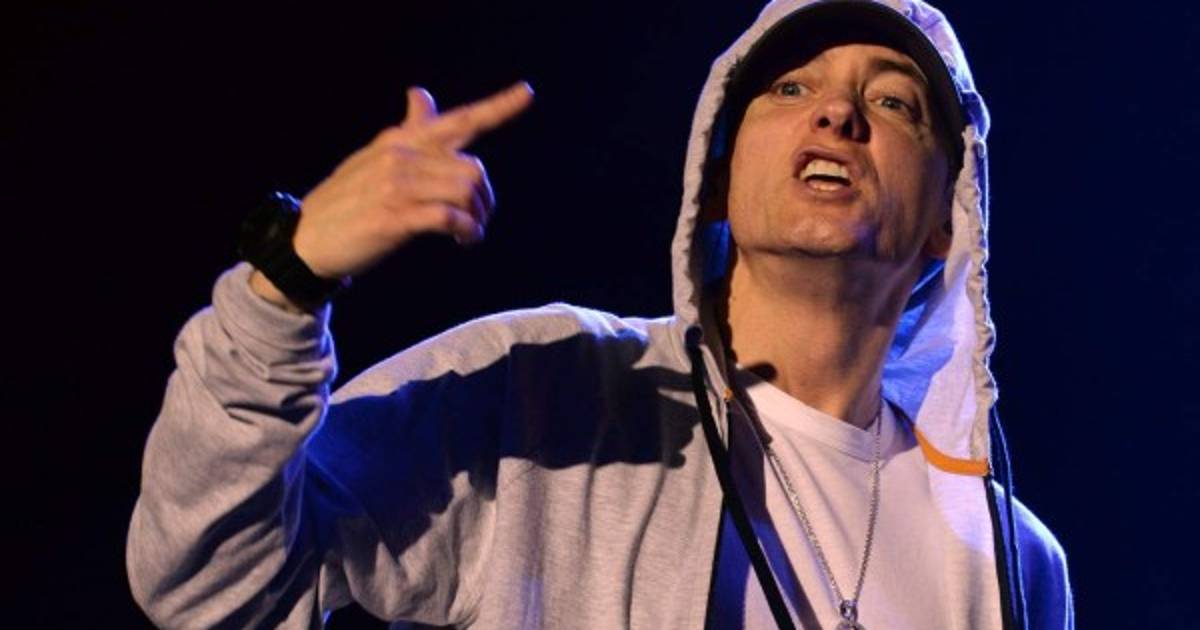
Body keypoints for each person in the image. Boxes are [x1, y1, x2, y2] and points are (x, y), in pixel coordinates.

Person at [127, 0, 1073, 628]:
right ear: (715, 181)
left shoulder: (1010, 562)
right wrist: (286, 284)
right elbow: (208, 581)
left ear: (950, 222)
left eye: (894, 101)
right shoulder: (551, 389)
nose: (836, 115)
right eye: (790, 88)